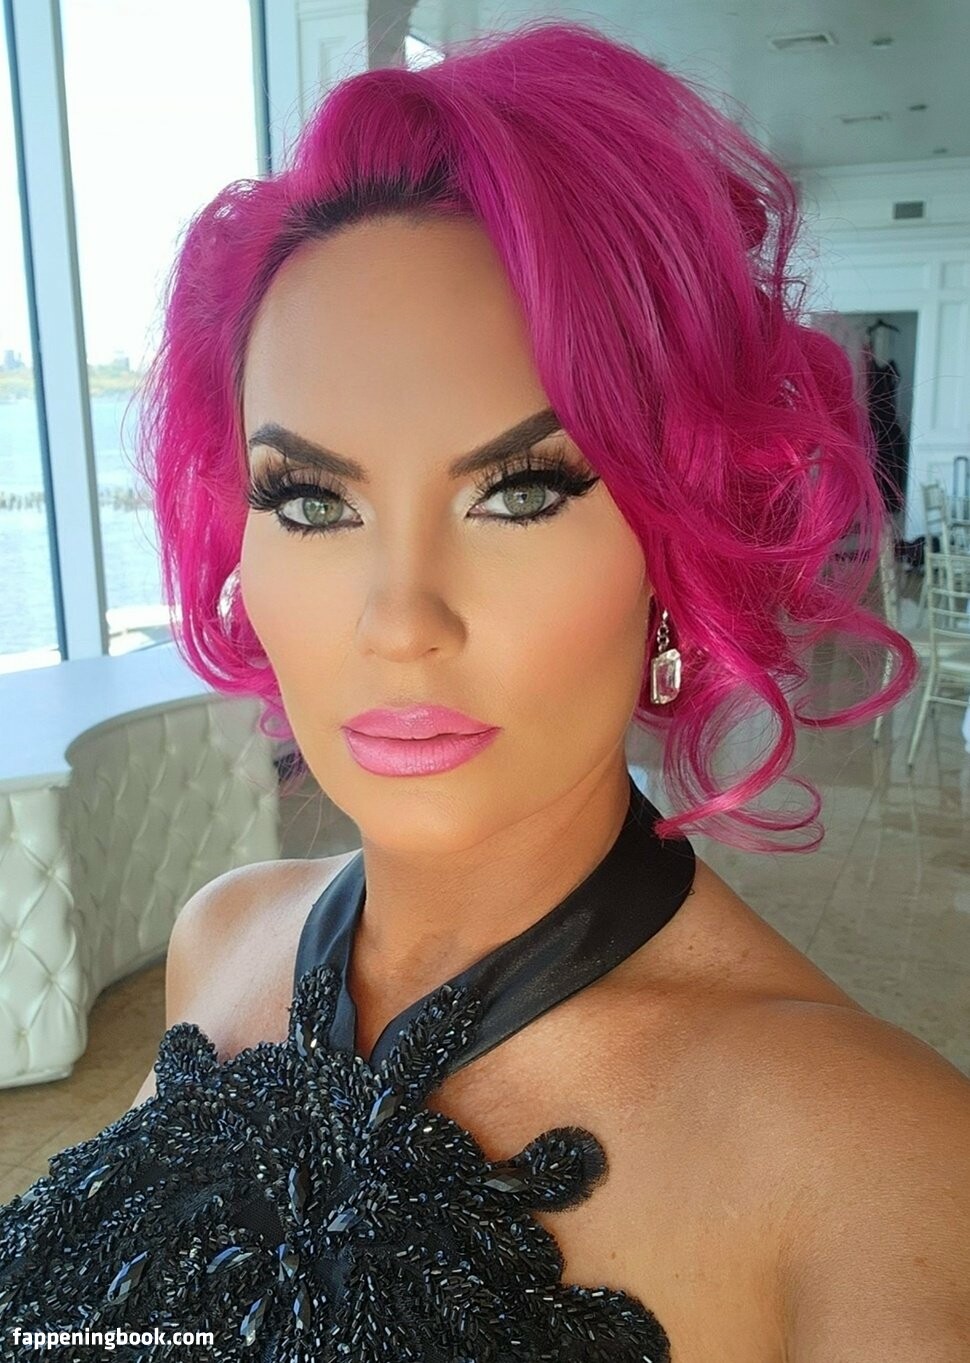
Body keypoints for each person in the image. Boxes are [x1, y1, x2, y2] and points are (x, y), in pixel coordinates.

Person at [2, 19, 968, 1363]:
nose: (400, 623)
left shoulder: (877, 1173)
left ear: (674, 543)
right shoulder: (219, 938)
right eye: (310, 500)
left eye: (518, 492)